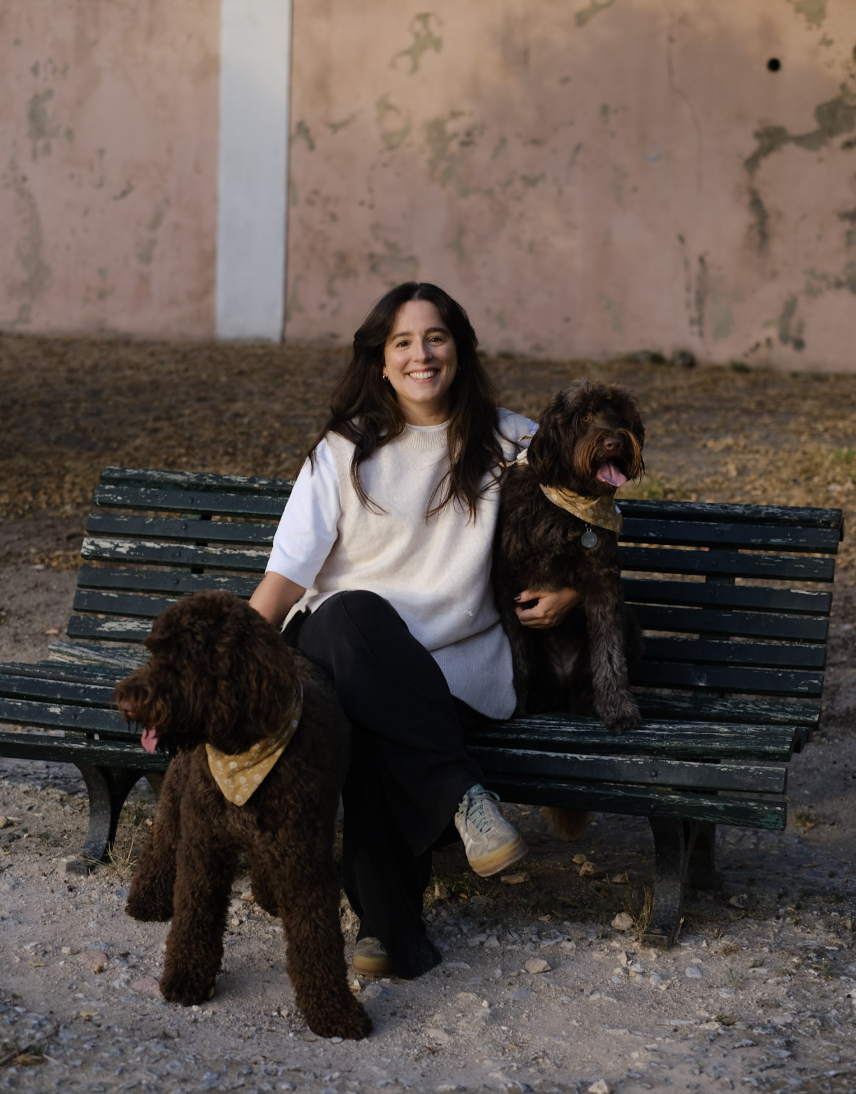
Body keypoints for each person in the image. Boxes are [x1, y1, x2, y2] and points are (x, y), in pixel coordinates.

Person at [249, 282, 579, 980]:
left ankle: (388, 933)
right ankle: (462, 794)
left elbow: (596, 515)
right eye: (402, 342)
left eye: (435, 337)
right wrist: (231, 659)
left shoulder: (513, 441)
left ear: (459, 349)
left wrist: (571, 587)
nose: (420, 355)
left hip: (455, 669)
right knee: (350, 612)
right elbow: (285, 581)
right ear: (380, 359)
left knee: (370, 724)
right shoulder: (342, 452)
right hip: (341, 645)